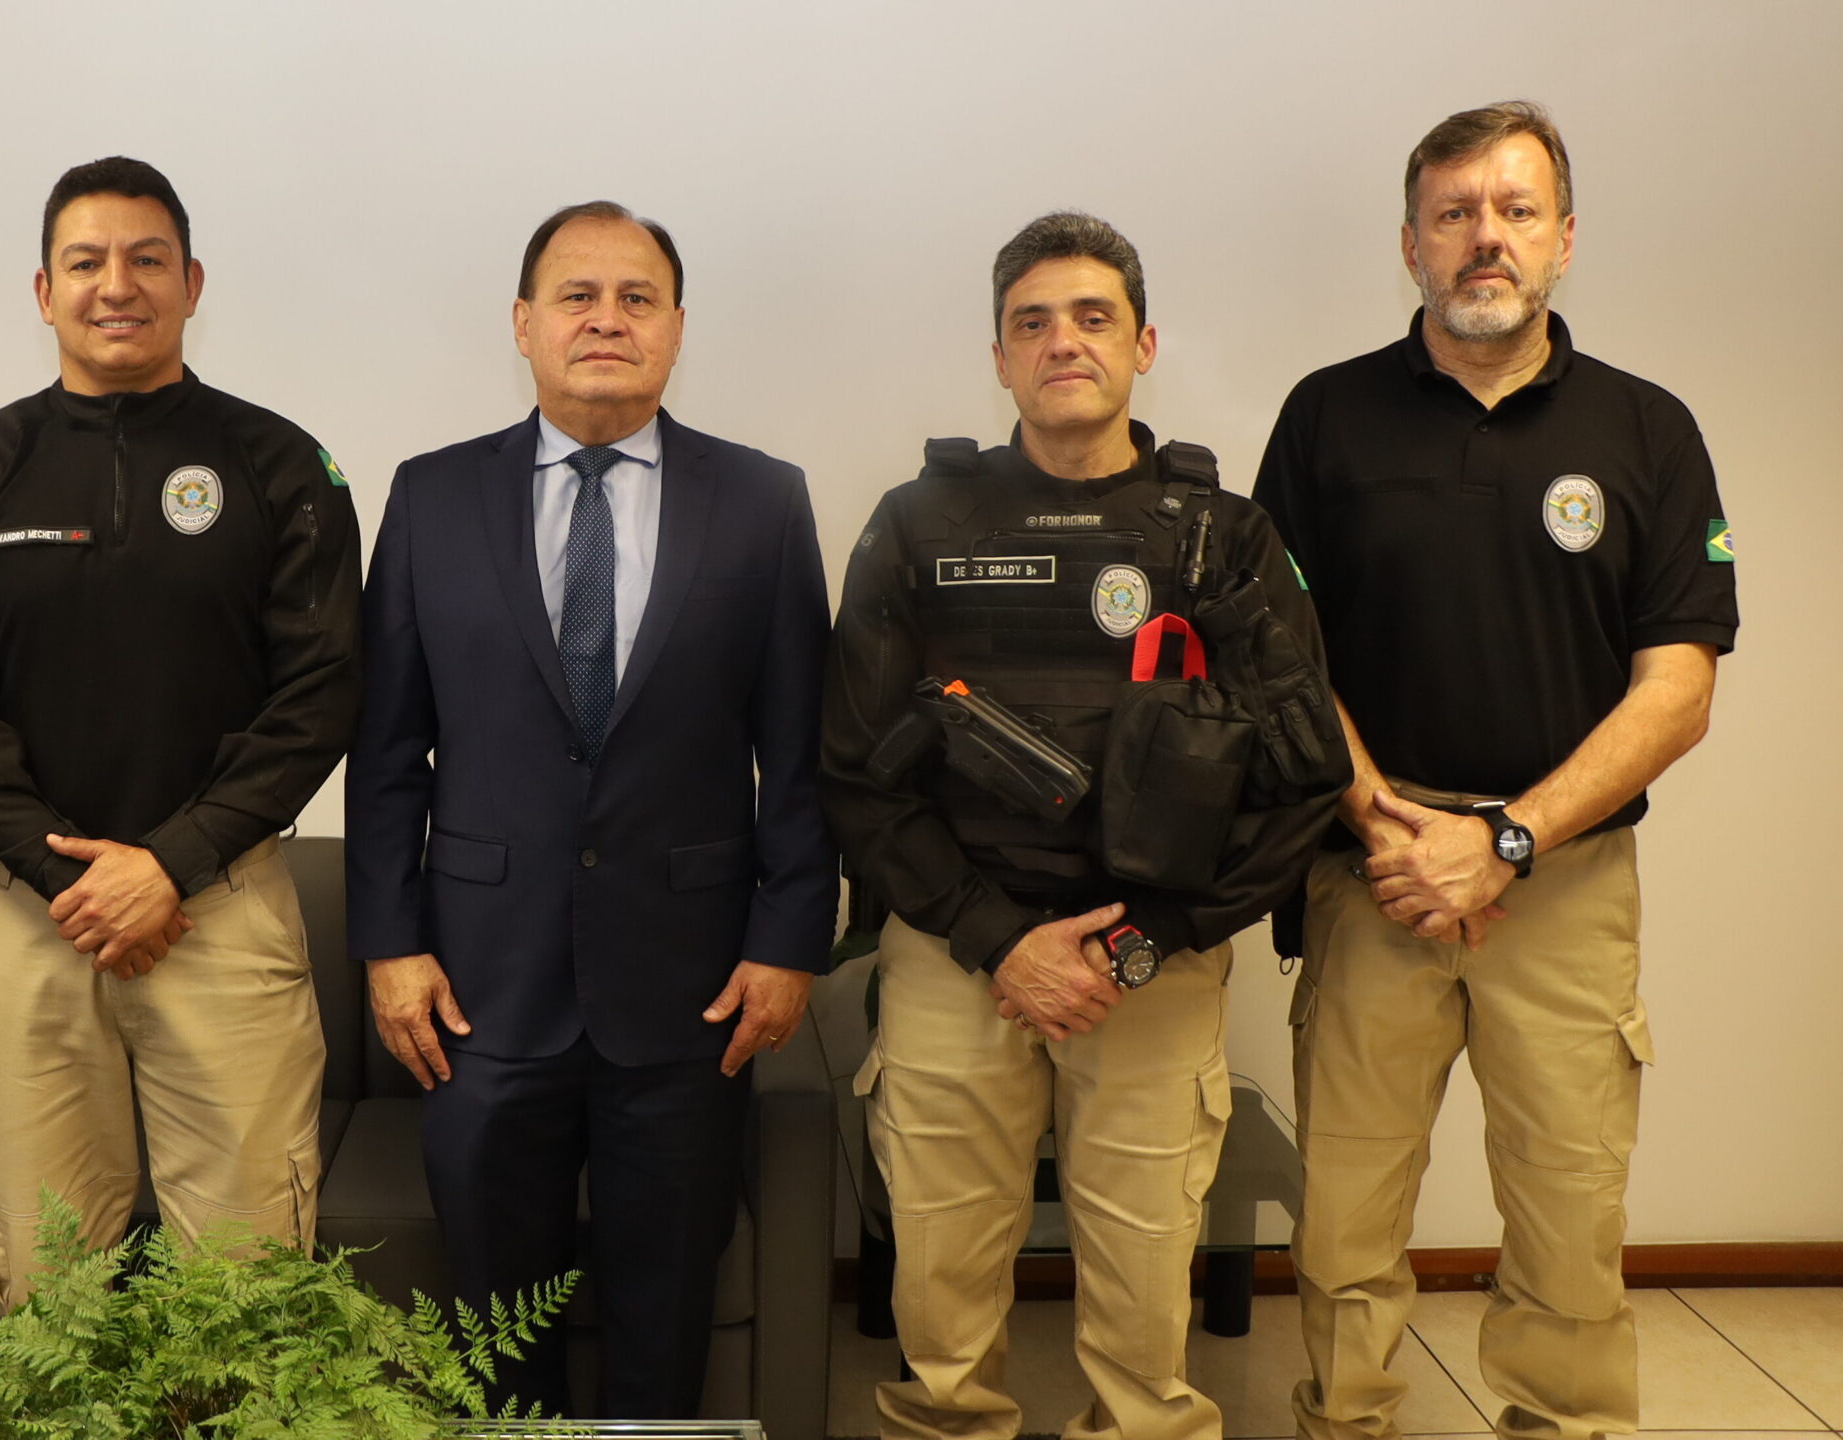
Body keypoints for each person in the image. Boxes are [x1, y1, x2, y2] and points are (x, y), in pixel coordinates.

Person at [1256, 101, 1737, 1440]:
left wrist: (1508, 840)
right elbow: (1278, 657)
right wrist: (1399, 830)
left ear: (1565, 238)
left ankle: (1563, 1424)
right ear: (1410, 242)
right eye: (1456, 213)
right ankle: (1345, 1423)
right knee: (1347, 1223)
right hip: (1374, 878)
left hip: (1566, 890)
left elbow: (1680, 685)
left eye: (1516, 211)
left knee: (1572, 1215)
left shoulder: (1648, 429)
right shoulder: (1326, 417)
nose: (1486, 239)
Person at [824, 211, 1345, 1440]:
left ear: (1144, 343)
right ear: (999, 358)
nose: (1063, 341)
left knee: (1144, 1278)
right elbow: (851, 768)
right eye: (1032, 323)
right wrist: (998, 937)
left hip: (1149, 966)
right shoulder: (916, 523)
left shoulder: (1222, 535)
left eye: (1092, 316)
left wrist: (1147, 937)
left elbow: (1301, 773)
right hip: (961, 956)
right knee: (941, 1291)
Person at [344, 200, 835, 1417]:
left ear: (674, 328)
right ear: (523, 323)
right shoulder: (431, 497)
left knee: (664, 1311)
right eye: (576, 296)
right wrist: (389, 945)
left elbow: (804, 752)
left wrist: (787, 945)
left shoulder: (764, 503)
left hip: (689, 993)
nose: (605, 320)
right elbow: (387, 749)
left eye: (635, 298)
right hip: (479, 989)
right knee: (493, 1316)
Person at [0, 157, 360, 1309]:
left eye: (148, 259)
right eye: (86, 262)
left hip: (225, 905)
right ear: (42, 292)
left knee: (247, 1285)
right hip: (26, 915)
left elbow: (322, 690)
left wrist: (172, 864)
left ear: (192, 282)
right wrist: (70, 878)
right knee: (45, 1278)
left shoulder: (283, 466)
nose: (118, 285)